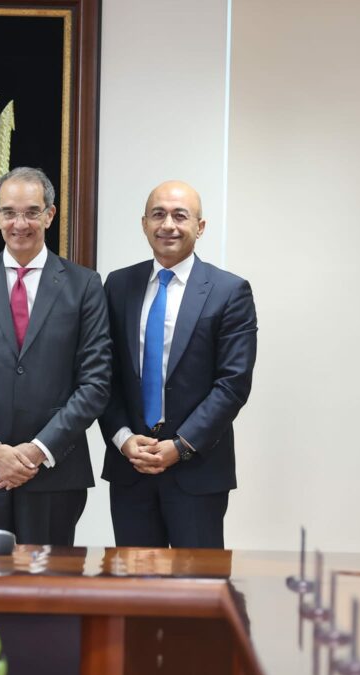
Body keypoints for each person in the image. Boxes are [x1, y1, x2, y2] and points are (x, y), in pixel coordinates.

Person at [0, 167, 111, 546]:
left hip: (53, 473)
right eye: (10, 212)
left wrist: (37, 450)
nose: (20, 224)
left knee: (48, 580)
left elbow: (95, 384)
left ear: (49, 215)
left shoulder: (84, 285)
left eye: (32, 212)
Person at [99, 180, 257, 548]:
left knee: (196, 582)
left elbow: (232, 384)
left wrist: (181, 446)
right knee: (134, 581)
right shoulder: (118, 285)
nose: (167, 224)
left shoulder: (229, 291)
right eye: (158, 214)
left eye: (180, 216)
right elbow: (104, 375)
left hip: (197, 471)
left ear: (200, 227)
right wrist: (123, 439)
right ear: (144, 224)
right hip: (131, 468)